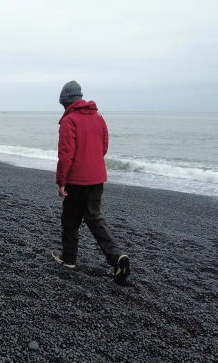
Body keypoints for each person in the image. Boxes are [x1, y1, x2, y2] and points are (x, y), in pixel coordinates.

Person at [50, 80, 131, 284]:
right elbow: (104, 147)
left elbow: (66, 155)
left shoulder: (69, 121)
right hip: (97, 178)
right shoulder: (98, 117)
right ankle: (116, 256)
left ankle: (69, 259)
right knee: (94, 218)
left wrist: (61, 181)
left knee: (70, 219)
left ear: (65, 102)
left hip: (77, 179)